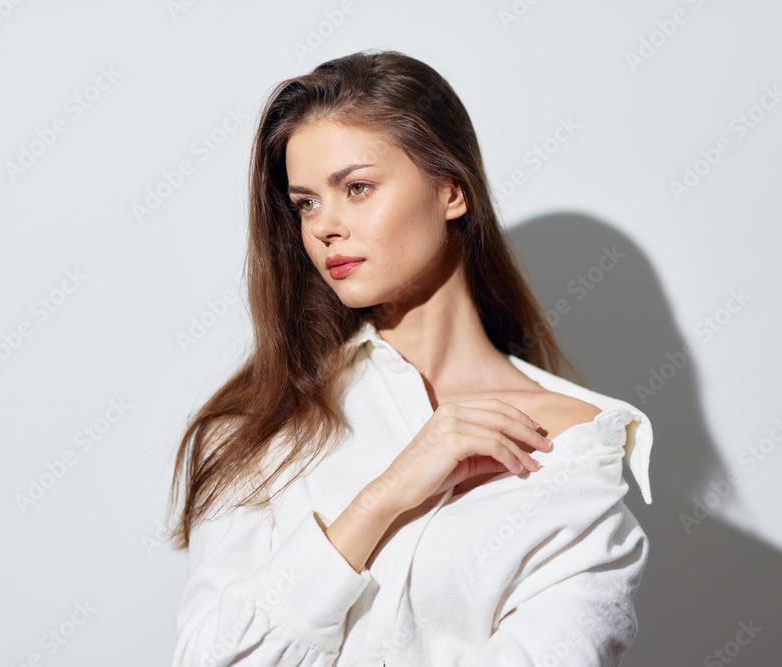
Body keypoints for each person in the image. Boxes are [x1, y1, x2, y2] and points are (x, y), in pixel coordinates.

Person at [167, 49, 654, 666]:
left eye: (357, 188)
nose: (323, 227)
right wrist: (385, 496)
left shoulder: (575, 450)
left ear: (452, 191)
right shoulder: (258, 424)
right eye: (306, 203)